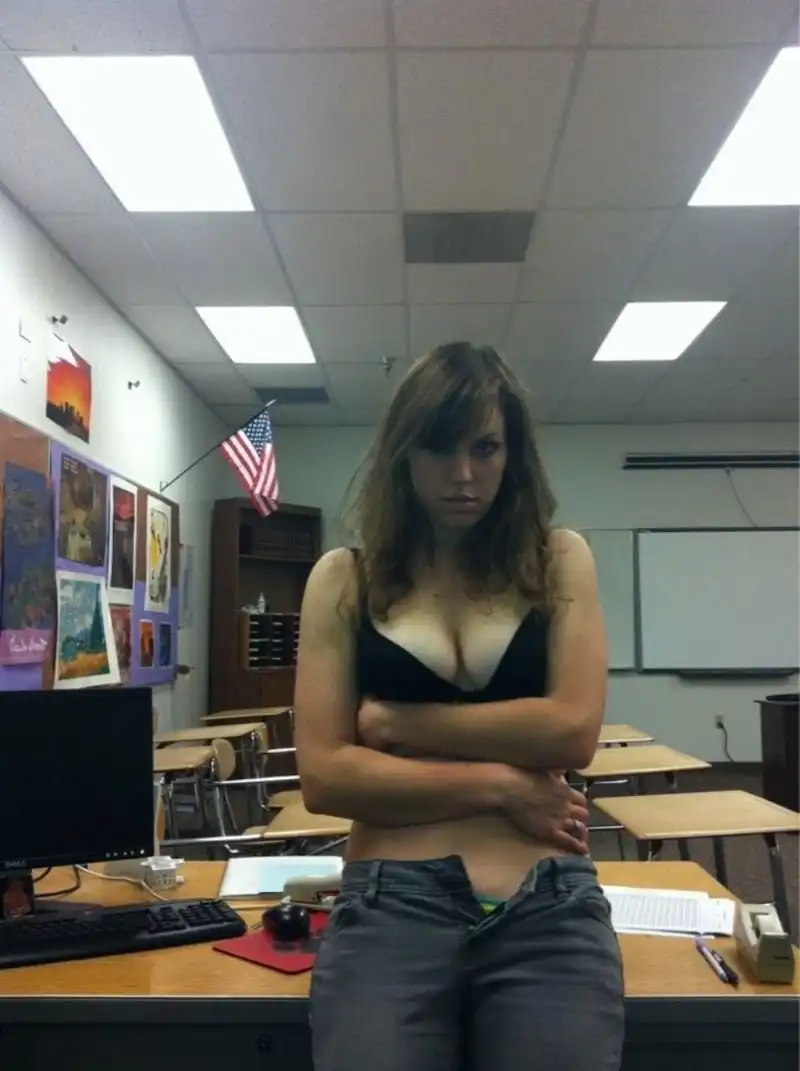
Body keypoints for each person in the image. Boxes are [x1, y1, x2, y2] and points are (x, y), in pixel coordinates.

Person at [294, 342, 624, 1071]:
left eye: (486, 448)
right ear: (404, 453)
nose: (464, 474)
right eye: (441, 448)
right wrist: (501, 784)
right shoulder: (343, 580)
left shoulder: (558, 560)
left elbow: (572, 731)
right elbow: (326, 777)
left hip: (548, 904)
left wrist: (400, 724)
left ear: (513, 455)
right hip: (388, 905)